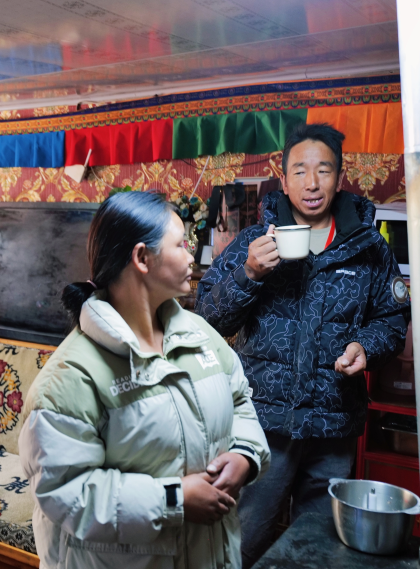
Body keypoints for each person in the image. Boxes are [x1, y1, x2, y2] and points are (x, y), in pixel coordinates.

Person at [195, 123, 411, 567]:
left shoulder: (369, 247)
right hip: (262, 425)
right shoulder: (254, 241)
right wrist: (249, 274)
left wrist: (366, 347)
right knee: (241, 540)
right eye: (300, 171)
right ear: (284, 176)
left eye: (323, 170)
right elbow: (207, 319)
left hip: (333, 426)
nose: (312, 183)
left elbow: (392, 320)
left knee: (320, 547)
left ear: (339, 175)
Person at [19, 191, 271, 569]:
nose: (190, 256)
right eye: (180, 245)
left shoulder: (201, 336)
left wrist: (245, 456)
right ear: (142, 258)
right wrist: (173, 500)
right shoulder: (71, 376)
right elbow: (65, 492)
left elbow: (240, 402)